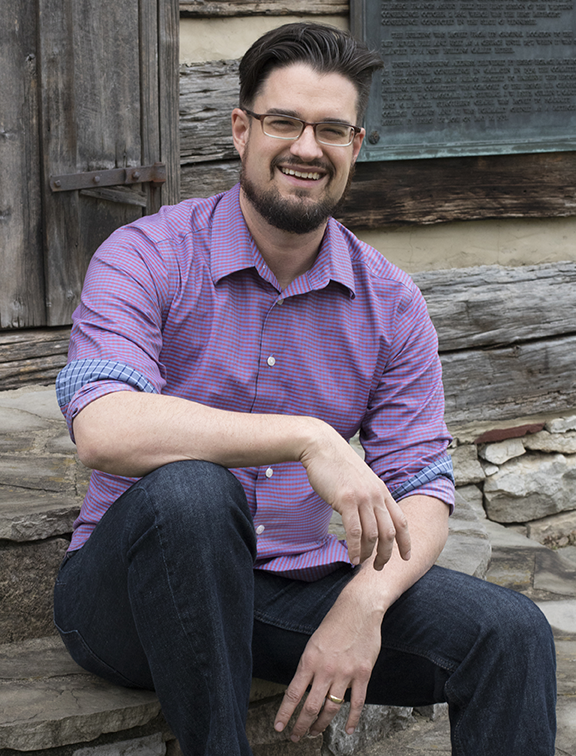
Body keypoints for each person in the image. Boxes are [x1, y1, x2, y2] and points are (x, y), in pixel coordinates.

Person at [54, 22, 556, 756]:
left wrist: (365, 602)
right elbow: (103, 428)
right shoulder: (147, 256)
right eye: (284, 122)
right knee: (193, 491)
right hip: (128, 600)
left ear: (356, 145)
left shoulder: (389, 302)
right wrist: (307, 437)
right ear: (241, 130)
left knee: (512, 634)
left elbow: (422, 483)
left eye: (331, 130)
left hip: (288, 589)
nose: (307, 148)